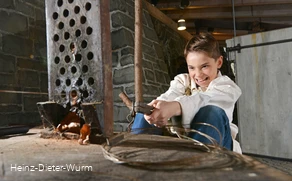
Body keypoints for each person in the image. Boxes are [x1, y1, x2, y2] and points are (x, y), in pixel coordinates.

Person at [131, 33, 242, 153]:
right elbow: (170, 95)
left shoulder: (227, 87)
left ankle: (194, 164)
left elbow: (203, 99)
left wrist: (176, 106)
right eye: (192, 68)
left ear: (219, 62)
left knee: (212, 112)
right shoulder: (183, 81)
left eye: (204, 66)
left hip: (220, 144)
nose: (198, 74)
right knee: (145, 114)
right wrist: (157, 108)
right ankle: (134, 157)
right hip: (187, 142)